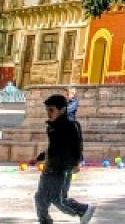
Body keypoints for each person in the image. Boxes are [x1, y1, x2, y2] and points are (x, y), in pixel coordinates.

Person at [33, 94, 94, 224]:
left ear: (61, 109)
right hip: (50, 167)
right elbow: (53, 147)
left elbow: (77, 145)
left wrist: (77, 162)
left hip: (62, 168)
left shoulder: (71, 126)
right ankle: (45, 221)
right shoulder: (52, 127)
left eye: (51, 110)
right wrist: (40, 157)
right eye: (47, 110)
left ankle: (83, 210)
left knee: (59, 200)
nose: (48, 113)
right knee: (40, 198)